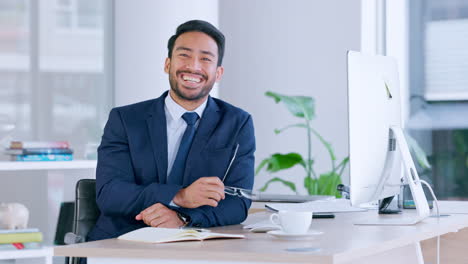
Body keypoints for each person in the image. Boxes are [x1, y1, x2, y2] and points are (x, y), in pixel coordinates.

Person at [87, 20, 255, 242]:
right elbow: (110, 194)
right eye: (184, 55)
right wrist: (179, 196)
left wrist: (182, 217)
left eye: (205, 59)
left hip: (194, 245)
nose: (193, 67)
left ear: (218, 73)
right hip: (121, 241)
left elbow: (238, 203)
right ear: (168, 64)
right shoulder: (126, 119)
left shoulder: (237, 123)